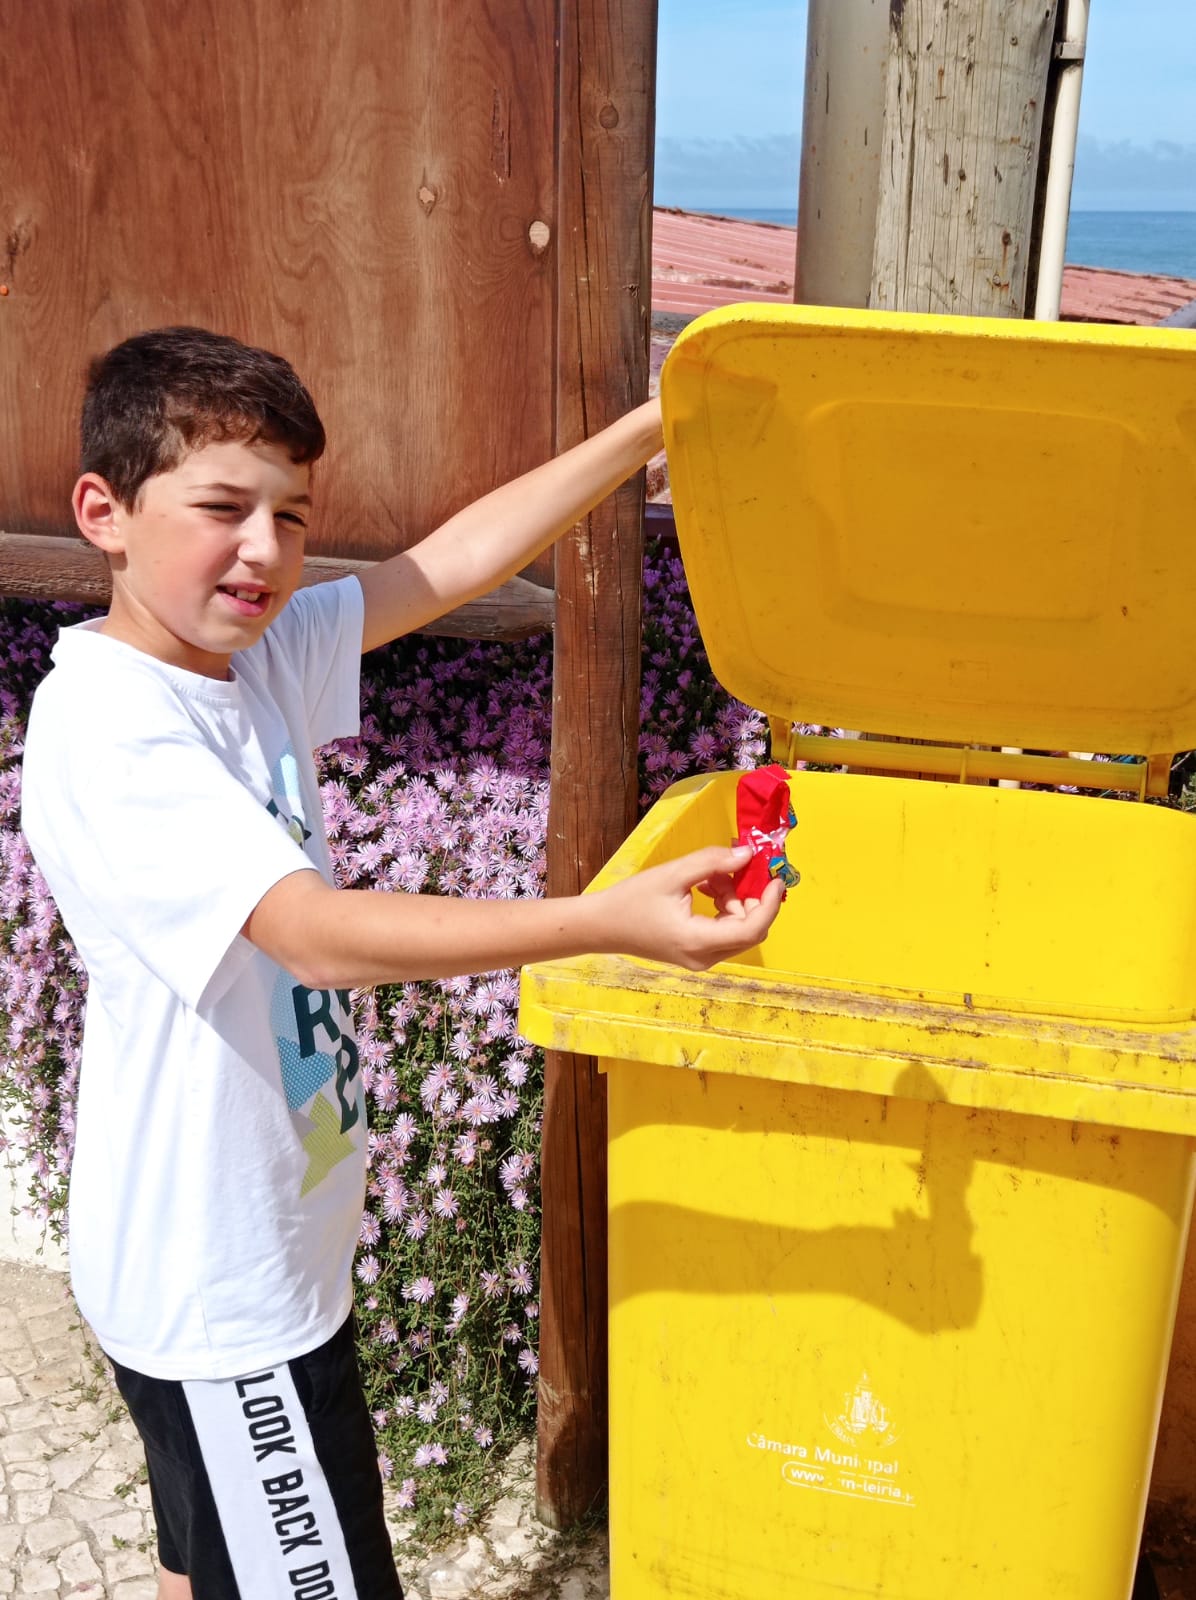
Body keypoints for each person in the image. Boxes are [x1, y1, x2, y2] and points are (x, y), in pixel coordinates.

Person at [19, 326, 783, 1600]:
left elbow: (441, 564)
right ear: (104, 511)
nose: (263, 550)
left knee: (204, 1561)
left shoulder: (244, 663)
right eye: (221, 507)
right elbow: (314, 930)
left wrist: (650, 430)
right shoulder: (112, 728)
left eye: (292, 515)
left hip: (249, 1264)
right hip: (221, 1300)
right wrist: (605, 921)